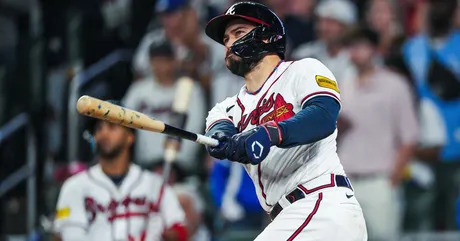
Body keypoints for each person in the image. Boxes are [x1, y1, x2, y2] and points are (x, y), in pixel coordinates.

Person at [203, 2, 367, 240]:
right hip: (290, 215)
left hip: (321, 203)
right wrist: (225, 142)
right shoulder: (226, 107)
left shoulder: (302, 69)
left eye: (238, 33)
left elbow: (324, 116)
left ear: (268, 37)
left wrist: (270, 133)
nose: (229, 44)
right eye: (226, 39)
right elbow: (219, 131)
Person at [53, 102, 188, 241]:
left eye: (112, 127)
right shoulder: (75, 186)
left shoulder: (155, 185)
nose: (103, 133)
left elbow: (180, 229)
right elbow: (67, 236)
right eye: (98, 128)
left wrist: (164, 234)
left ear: (130, 137)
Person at [338, 27, 419, 241]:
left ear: (375, 49)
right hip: (345, 183)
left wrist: (393, 178)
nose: (354, 52)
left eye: (360, 45)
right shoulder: (341, 87)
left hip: (380, 181)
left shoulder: (395, 85)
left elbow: (409, 136)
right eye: (351, 46)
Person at [403, 0, 460, 230]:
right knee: (421, 215)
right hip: (421, 147)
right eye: (435, 4)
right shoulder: (412, 47)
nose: (440, 11)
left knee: (453, 214)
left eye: (446, 5)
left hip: (456, 146)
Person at [123, 36, 206, 173]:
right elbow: (124, 124)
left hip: (182, 170)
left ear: (174, 61)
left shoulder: (189, 89)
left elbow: (194, 130)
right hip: (143, 168)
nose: (161, 64)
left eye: (166, 59)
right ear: (150, 62)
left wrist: (176, 166)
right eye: (157, 59)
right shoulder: (138, 90)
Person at [291, 0, 357, 83]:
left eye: (330, 23)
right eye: (320, 21)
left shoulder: (358, 57)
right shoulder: (304, 54)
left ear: (346, 27)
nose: (323, 27)